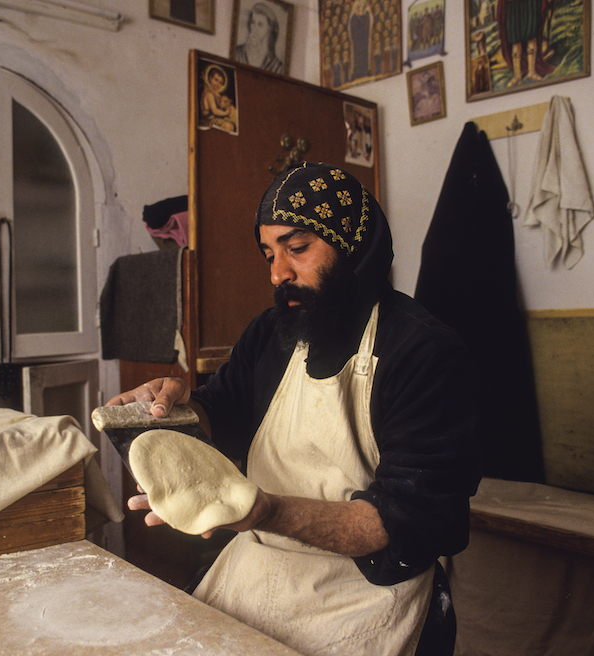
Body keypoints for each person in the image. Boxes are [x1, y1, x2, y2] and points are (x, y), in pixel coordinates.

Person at [108, 162, 482, 656]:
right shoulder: (273, 332)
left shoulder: (423, 350)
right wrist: (171, 408)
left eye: (298, 248)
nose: (277, 273)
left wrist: (264, 509)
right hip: (259, 569)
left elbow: (403, 519)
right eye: (269, 254)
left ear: (352, 245)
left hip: (363, 598)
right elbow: (221, 410)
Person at [234, 2, 284, 74]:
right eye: (253, 22)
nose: (254, 28)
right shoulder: (237, 53)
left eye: (260, 25)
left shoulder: (277, 66)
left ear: (269, 29)